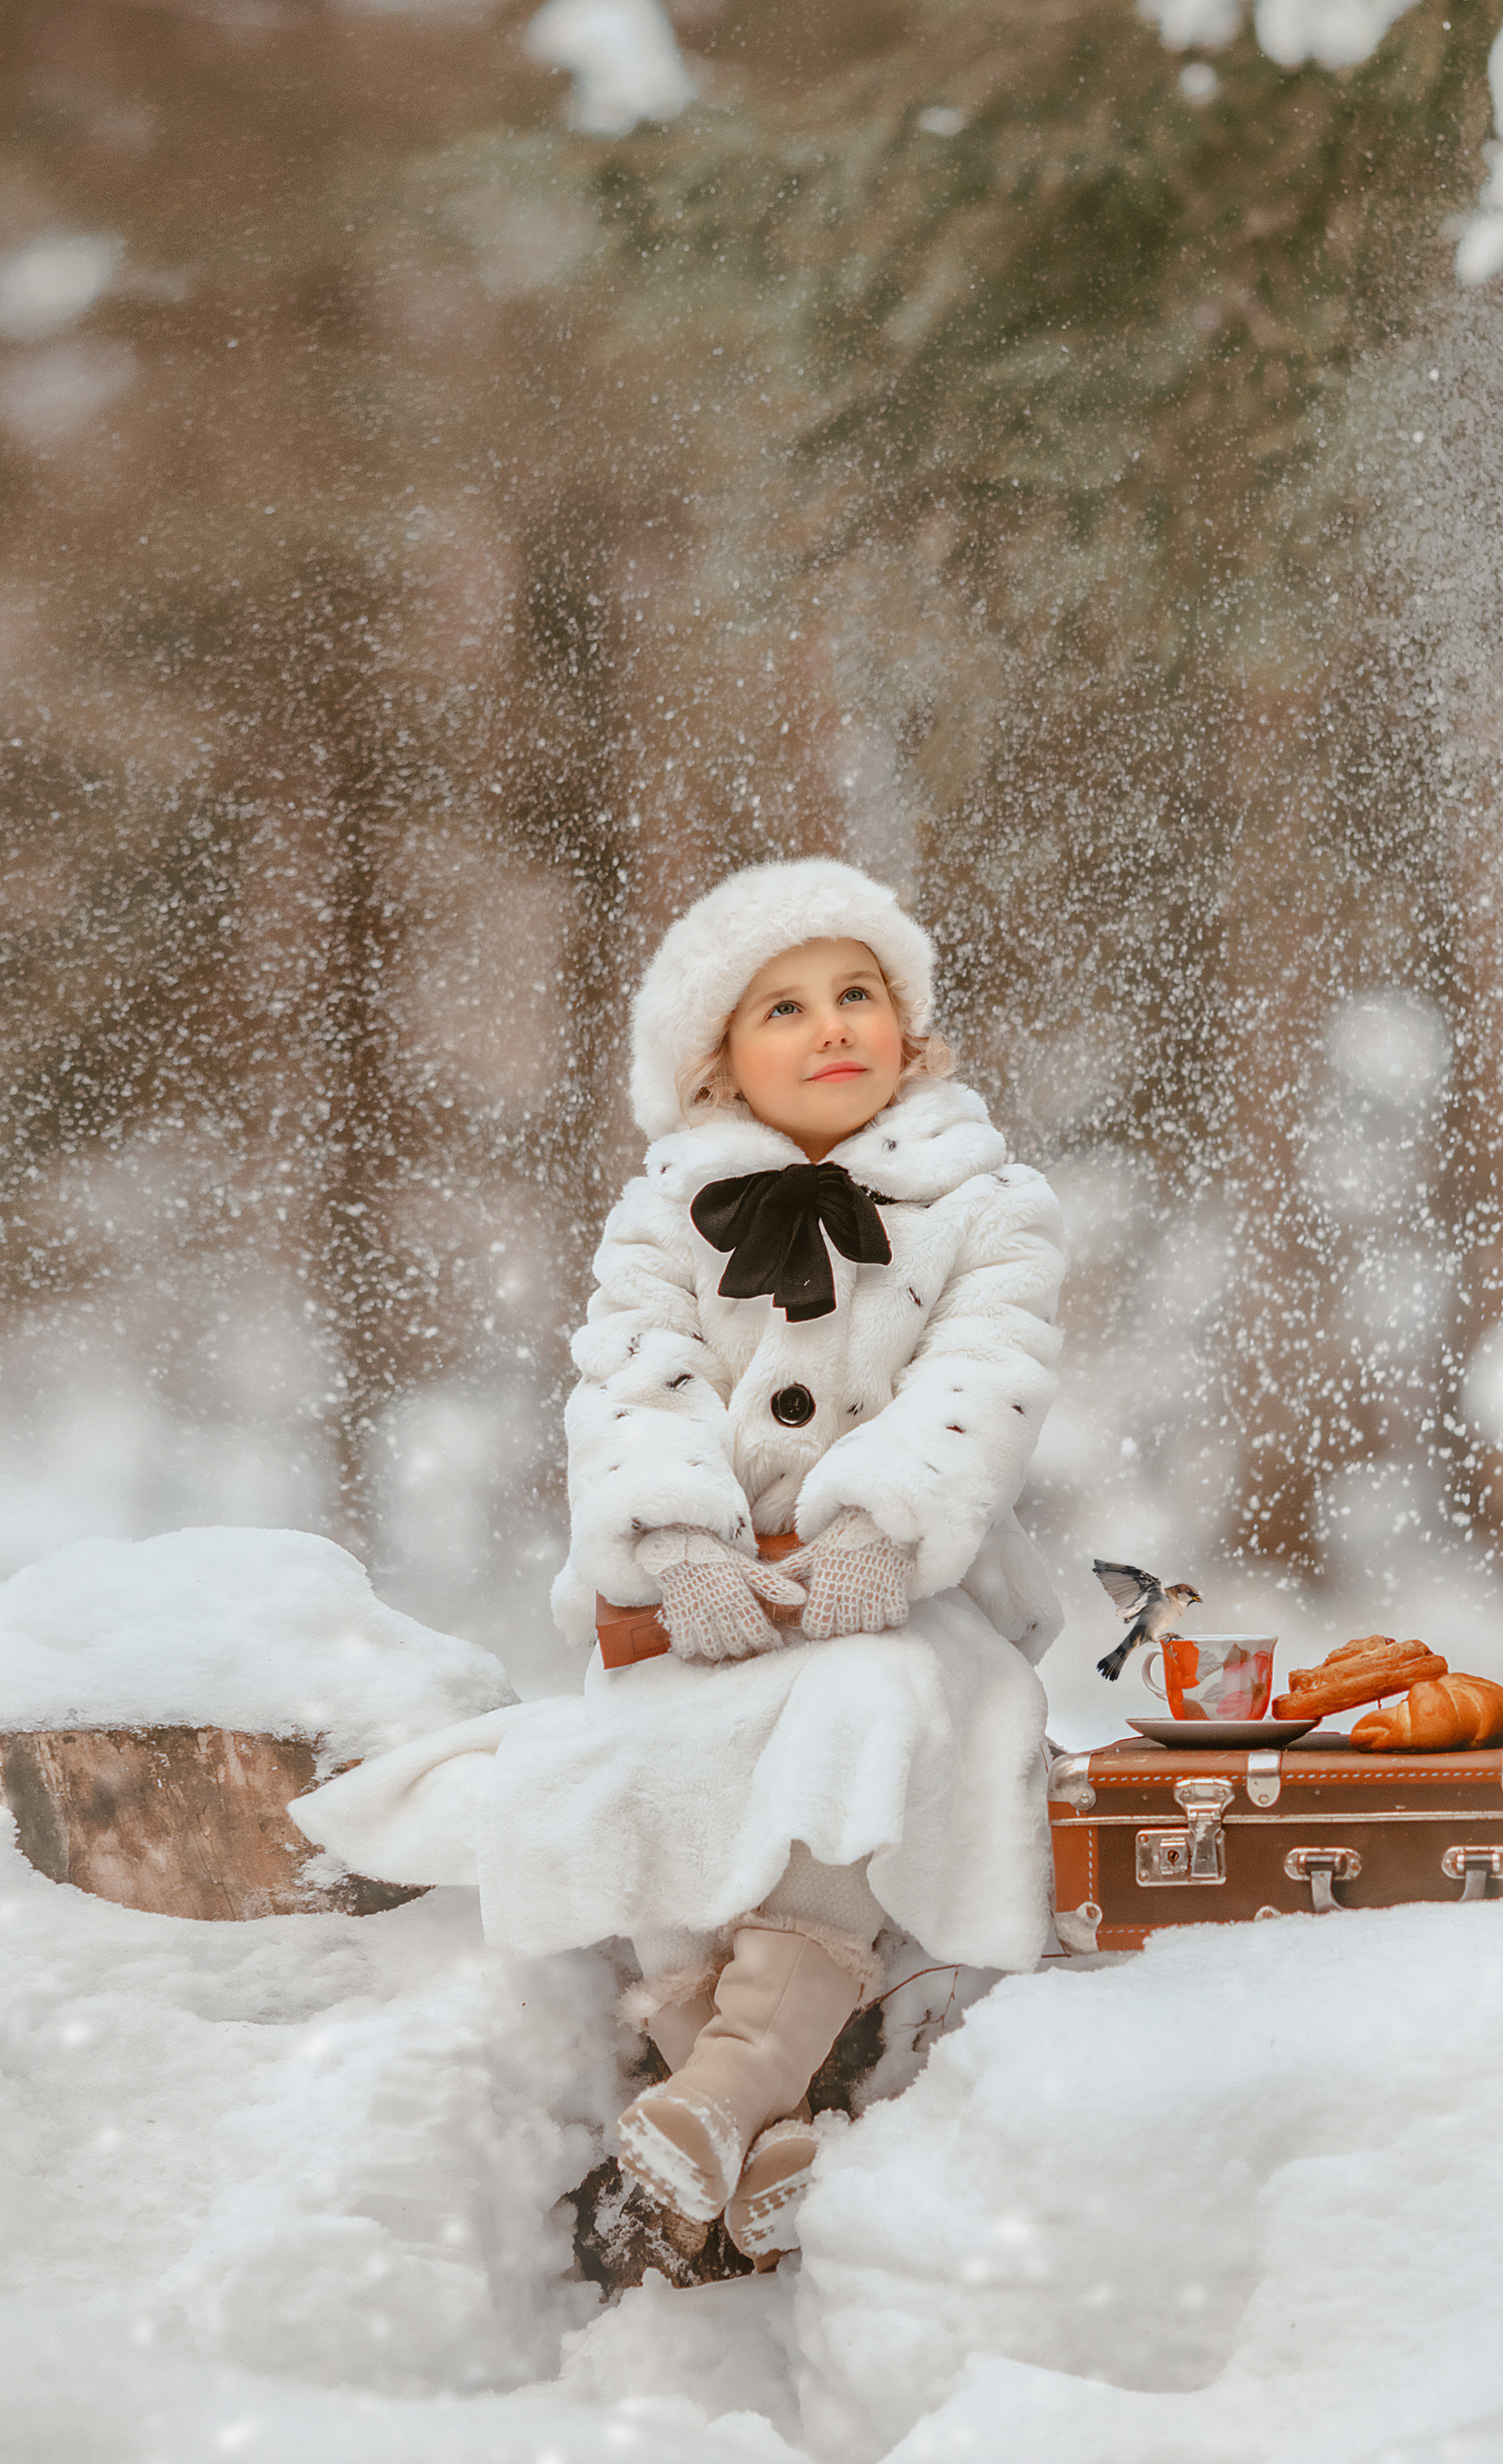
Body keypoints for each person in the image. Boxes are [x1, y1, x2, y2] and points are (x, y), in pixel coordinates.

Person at [295, 857, 1065, 2262]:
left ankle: (730, 2079)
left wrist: (878, 1524)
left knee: (868, 1710)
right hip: (708, 1601)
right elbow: (632, 1385)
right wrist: (681, 1542)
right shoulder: (665, 1213)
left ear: (906, 1029)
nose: (830, 1026)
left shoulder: (989, 1201)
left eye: (857, 994)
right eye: (784, 1008)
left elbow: (984, 1376)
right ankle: (763, 2125)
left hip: (905, 1600)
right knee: (654, 1755)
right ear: (718, 1060)